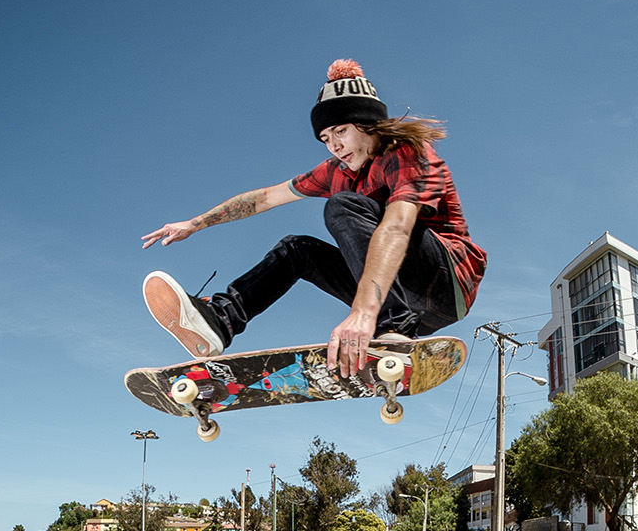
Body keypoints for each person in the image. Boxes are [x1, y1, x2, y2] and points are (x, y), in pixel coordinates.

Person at [141, 59, 486, 378]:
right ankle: (220, 321)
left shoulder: (406, 152)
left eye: (340, 132)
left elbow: (397, 227)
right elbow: (265, 197)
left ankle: (391, 327)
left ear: (368, 125)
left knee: (342, 206)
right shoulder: (336, 170)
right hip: (399, 298)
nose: (334, 146)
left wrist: (365, 314)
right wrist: (195, 223)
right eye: (325, 138)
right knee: (298, 249)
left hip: (445, 284)